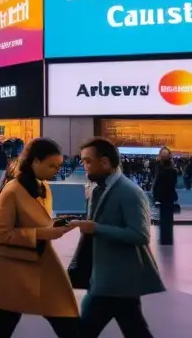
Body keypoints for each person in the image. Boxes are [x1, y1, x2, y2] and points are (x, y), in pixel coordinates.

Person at [0, 138, 80, 337]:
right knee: (56, 317)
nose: (56, 170)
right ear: (35, 162)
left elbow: (38, 221)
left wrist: (56, 224)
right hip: (18, 267)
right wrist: (43, 233)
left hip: (37, 264)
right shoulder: (12, 191)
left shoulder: (43, 188)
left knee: (10, 318)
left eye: (58, 166)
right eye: (51, 165)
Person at [67, 137, 163, 338]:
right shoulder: (97, 190)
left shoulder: (130, 192)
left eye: (87, 161)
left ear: (104, 162)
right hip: (107, 279)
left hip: (114, 281)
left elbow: (140, 235)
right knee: (134, 329)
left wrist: (96, 228)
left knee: (83, 331)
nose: (83, 165)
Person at [150, 146, 178, 245]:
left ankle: (165, 239)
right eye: (163, 154)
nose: (164, 155)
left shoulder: (164, 168)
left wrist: (156, 194)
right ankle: (166, 238)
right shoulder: (167, 168)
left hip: (166, 196)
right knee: (166, 218)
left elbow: (160, 182)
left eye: (166, 154)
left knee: (166, 218)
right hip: (166, 196)